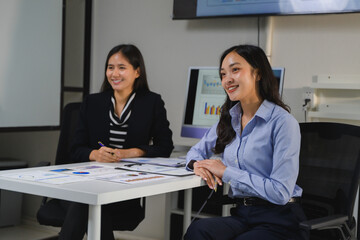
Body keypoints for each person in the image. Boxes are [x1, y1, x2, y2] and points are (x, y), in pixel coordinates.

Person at [184, 45, 308, 240]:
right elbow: (195, 152)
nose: (227, 79)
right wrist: (197, 165)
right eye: (223, 74)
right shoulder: (229, 119)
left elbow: (280, 192)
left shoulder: (283, 123)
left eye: (235, 70)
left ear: (257, 73)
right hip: (243, 214)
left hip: (280, 219)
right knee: (198, 230)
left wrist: (226, 172)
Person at [59, 44, 174, 240]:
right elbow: (74, 148)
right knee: (89, 200)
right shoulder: (93, 102)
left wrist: (131, 152)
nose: (114, 73)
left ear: (137, 71)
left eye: (122, 67)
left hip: (122, 190)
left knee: (90, 202)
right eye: (110, 67)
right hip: (87, 180)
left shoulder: (151, 102)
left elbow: (165, 147)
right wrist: (96, 154)